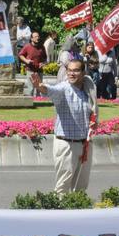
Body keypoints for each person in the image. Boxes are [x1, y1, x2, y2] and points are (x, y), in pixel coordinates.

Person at [30, 59, 98, 194]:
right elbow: (51, 90)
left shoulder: (88, 89)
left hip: (85, 144)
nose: (72, 74)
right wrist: (39, 86)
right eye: (69, 70)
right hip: (67, 144)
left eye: (76, 70)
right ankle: (59, 214)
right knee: (63, 188)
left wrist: (94, 120)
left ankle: (77, 213)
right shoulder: (63, 88)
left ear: (83, 73)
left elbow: (93, 110)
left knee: (81, 188)